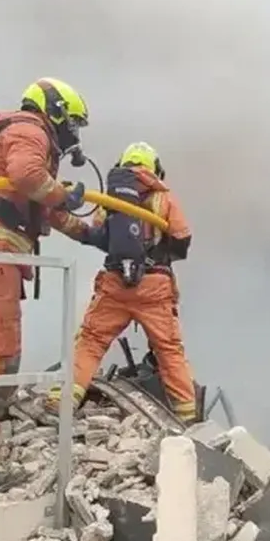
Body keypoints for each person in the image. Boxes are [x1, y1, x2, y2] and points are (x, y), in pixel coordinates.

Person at [0, 77, 93, 495]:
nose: (73, 135)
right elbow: (28, 176)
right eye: (74, 124)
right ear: (56, 111)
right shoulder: (29, 128)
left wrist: (89, 232)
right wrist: (64, 194)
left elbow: (43, 209)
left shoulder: (18, 133)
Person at [48, 142, 198, 424]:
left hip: (115, 284)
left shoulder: (112, 197)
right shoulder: (163, 199)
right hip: (155, 286)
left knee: (91, 342)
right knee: (169, 350)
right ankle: (188, 417)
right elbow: (181, 238)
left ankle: (62, 400)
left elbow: (98, 233)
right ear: (155, 168)